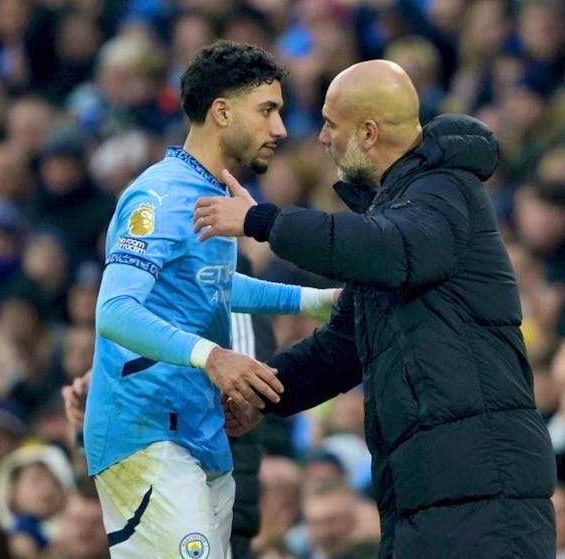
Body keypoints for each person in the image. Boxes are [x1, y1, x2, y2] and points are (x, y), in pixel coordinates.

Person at [195, 60, 557, 557]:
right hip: (424, 494)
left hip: (484, 493)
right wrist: (261, 394)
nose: (321, 138)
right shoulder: (392, 217)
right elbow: (341, 348)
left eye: (331, 124)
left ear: (367, 133)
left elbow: (391, 249)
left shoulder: (443, 189)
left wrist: (262, 220)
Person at [83, 40, 337, 559]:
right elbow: (113, 311)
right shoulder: (157, 197)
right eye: (267, 110)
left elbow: (211, 285)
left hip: (197, 428)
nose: (281, 129)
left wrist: (314, 301)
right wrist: (212, 356)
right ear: (222, 111)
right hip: (144, 432)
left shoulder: (212, 193)